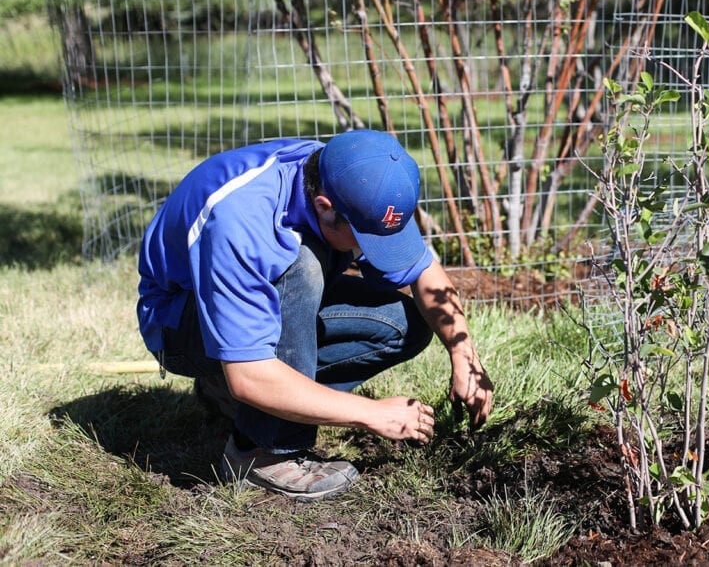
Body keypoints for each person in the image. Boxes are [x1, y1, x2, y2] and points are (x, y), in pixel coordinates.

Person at [137, 129, 494, 502]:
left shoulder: (357, 176)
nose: (370, 248)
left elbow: (425, 274)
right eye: (364, 238)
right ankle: (261, 453)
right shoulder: (242, 223)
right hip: (180, 323)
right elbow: (248, 376)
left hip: (254, 295)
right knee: (302, 266)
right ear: (324, 207)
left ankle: (229, 397)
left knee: (408, 326)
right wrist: (371, 414)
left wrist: (464, 355)